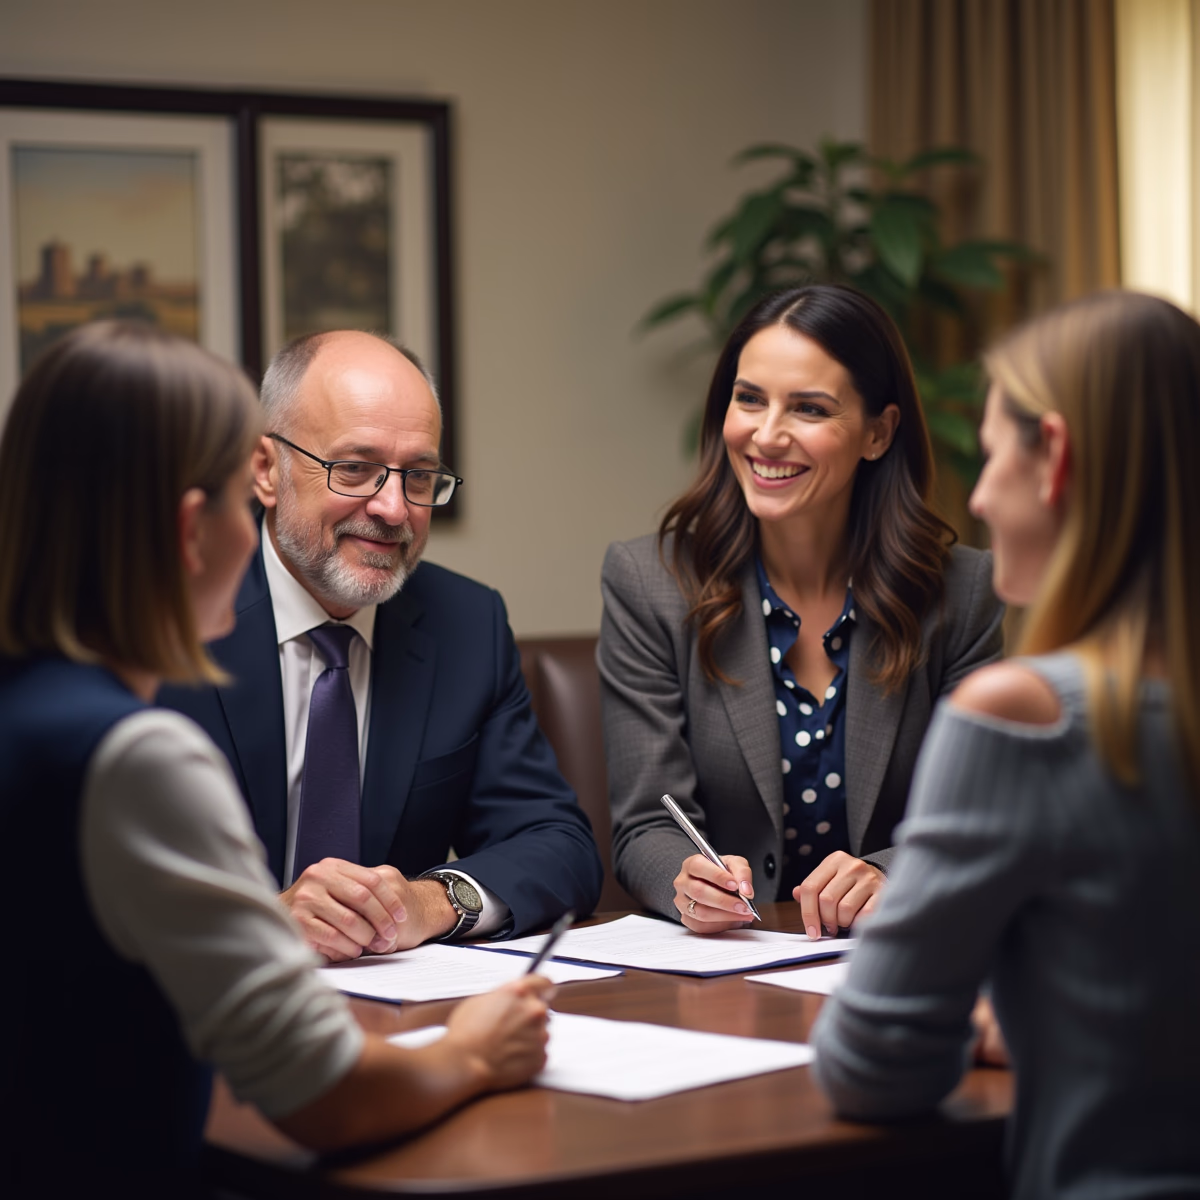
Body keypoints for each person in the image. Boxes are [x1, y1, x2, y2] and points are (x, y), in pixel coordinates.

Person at [0, 321, 552, 1194]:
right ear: (199, 524)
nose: (393, 507)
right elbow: (324, 1100)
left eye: (417, 477)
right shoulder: (135, 755)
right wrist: (472, 1053)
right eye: (232, 492)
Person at [811, 290, 1200, 1197]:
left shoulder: (1024, 714)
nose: (978, 498)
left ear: (1055, 456)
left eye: (990, 458)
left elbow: (873, 1067)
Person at [162, 330, 602, 961]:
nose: (394, 508)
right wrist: (261, 921)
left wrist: (429, 901)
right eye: (356, 468)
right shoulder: (163, 615)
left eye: (419, 476)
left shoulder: (465, 624)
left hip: (401, 1014)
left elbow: (558, 844)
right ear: (266, 469)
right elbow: (69, 876)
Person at [599, 285, 1003, 938]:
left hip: (902, 957)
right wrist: (687, 883)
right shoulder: (649, 582)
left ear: (878, 433)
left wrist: (893, 875)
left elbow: (986, 818)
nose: (766, 435)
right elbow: (648, 821)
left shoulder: (961, 593)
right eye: (749, 398)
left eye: (809, 409)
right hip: (727, 972)